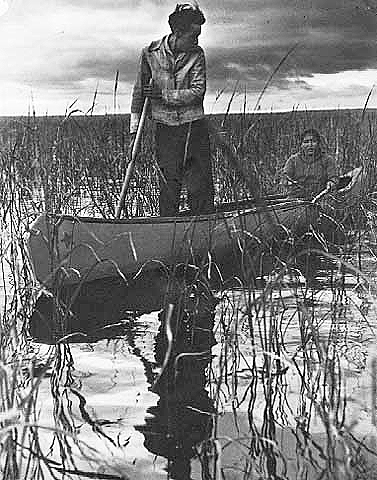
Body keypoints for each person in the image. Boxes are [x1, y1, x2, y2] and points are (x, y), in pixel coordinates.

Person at [130, 2, 214, 217]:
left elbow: (197, 92)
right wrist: (133, 130)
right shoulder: (150, 53)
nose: (196, 41)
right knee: (168, 181)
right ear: (177, 32)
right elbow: (139, 92)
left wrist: (163, 96)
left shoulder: (197, 54)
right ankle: (168, 230)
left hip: (194, 125)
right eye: (193, 36)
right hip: (165, 128)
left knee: (200, 183)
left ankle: (204, 229)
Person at [282, 128, 338, 199]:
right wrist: (288, 183)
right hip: (296, 197)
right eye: (306, 142)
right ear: (301, 144)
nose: (310, 145)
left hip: (320, 197)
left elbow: (334, 177)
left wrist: (331, 183)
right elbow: (285, 177)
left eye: (313, 141)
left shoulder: (327, 159)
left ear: (318, 143)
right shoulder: (293, 160)